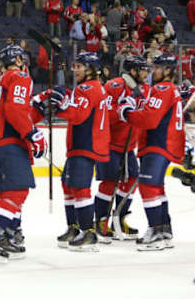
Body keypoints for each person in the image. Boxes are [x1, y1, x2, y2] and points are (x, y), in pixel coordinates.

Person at [0, 45, 46, 262]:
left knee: (2, 192)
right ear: (17, 60)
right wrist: (32, 133)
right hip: (8, 142)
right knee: (17, 192)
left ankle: (5, 235)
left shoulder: (0, 82)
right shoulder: (19, 76)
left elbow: (7, 110)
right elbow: (15, 110)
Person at [118, 54, 184, 251]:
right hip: (166, 143)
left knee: (147, 186)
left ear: (168, 71)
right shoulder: (168, 89)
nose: (152, 71)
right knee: (157, 187)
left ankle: (155, 231)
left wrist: (126, 113)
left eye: (157, 68)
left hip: (159, 143)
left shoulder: (163, 88)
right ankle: (164, 229)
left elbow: (149, 119)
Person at [51, 52, 110, 252]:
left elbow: (77, 115)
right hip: (83, 144)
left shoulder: (87, 88)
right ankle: (74, 227)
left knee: (79, 187)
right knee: (68, 184)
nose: (75, 69)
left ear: (91, 69)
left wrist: (58, 106)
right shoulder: (91, 88)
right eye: (74, 65)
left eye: (79, 66)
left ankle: (88, 233)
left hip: (86, 144)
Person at [94, 55, 150, 243]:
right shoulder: (114, 86)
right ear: (133, 71)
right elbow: (105, 114)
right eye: (143, 69)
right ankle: (101, 221)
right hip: (110, 144)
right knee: (109, 182)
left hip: (128, 146)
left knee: (133, 178)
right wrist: (123, 109)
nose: (146, 73)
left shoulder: (142, 89)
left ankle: (119, 217)